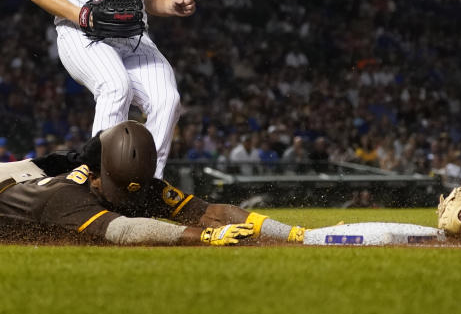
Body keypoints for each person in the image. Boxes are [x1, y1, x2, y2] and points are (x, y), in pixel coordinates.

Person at [0, 121, 307, 246]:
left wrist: (291, 234)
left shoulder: (137, 182)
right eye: (117, 189)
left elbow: (210, 212)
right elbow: (124, 230)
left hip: (29, 174)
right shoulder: (66, 196)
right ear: (94, 176)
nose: (128, 199)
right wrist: (205, 238)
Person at [26, 0, 196, 179]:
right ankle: (99, 178)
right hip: (81, 33)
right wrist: (81, 15)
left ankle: (148, 182)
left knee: (167, 101)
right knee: (116, 87)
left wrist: (170, 4)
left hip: (134, 38)